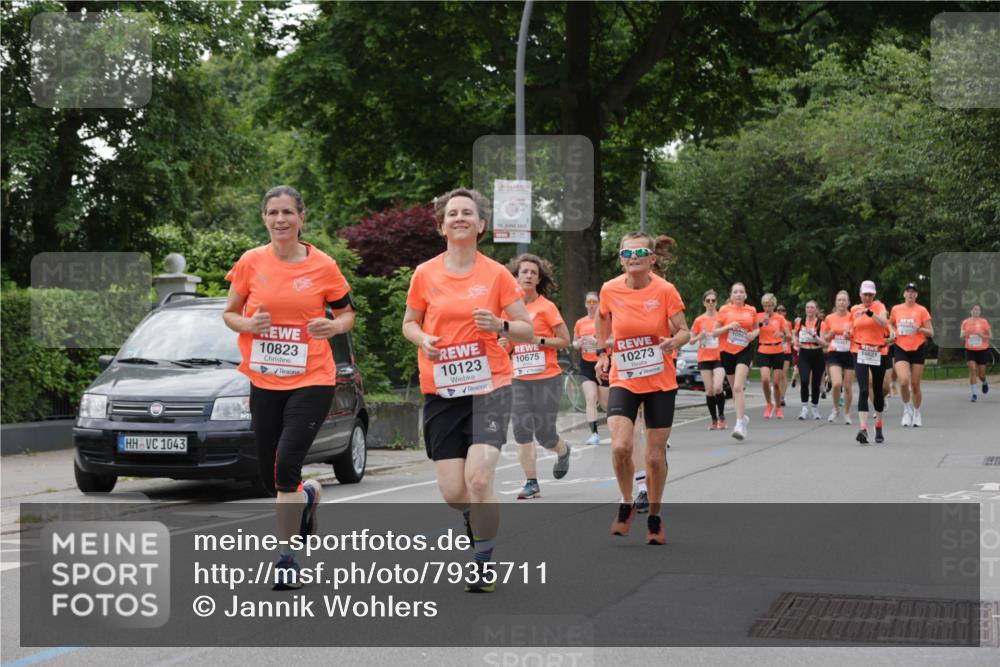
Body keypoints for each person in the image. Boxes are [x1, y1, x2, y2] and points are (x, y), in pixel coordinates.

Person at [223, 185, 356, 589]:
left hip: (313, 377)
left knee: (284, 465)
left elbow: (348, 314)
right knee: (270, 475)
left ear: (301, 218)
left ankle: (286, 560)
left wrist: (332, 325)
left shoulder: (323, 266)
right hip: (265, 378)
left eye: (287, 212)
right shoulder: (251, 262)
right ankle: (309, 495)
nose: (280, 219)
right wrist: (248, 324)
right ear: (264, 218)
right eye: (272, 212)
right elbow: (229, 313)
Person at [402, 188, 533, 592]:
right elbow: (409, 322)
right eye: (452, 213)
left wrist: (501, 327)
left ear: (481, 225)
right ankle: (470, 516)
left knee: (478, 480)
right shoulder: (425, 273)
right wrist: (422, 339)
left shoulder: (496, 275)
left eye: (467, 213)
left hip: (489, 385)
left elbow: (527, 328)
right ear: (441, 226)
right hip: (442, 390)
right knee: (455, 492)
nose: (459, 218)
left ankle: (483, 562)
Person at [595, 232, 688, 544]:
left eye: (640, 252)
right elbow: (601, 318)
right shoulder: (609, 289)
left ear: (652, 259)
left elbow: (684, 330)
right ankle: (626, 502)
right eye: (627, 252)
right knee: (621, 446)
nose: (633, 257)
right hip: (625, 377)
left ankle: (655, 516)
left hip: (660, 379)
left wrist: (674, 341)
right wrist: (602, 352)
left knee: (654, 456)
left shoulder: (665, 291)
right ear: (621, 258)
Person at [501, 254, 573, 500]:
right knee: (521, 429)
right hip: (519, 379)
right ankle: (531, 482)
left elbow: (565, 341)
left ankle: (563, 450)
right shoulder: (508, 311)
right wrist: (504, 344)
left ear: (539, 278)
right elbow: (509, 347)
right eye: (524, 272)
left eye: (533, 272)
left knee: (545, 435)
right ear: (516, 277)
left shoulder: (547, 307)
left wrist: (537, 340)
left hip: (547, 378)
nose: (528, 275)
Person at [713, 283, 757, 440]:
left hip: (744, 350)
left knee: (738, 387)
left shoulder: (751, 310)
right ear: (731, 296)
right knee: (734, 389)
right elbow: (714, 332)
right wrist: (728, 327)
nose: (738, 294)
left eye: (741, 292)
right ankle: (743, 418)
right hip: (727, 352)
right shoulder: (724, 310)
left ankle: (739, 424)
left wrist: (754, 335)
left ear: (745, 295)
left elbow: (756, 328)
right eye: (735, 292)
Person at [850, 280, 890, 444]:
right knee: (864, 390)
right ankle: (863, 429)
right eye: (864, 294)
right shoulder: (854, 309)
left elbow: (883, 323)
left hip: (878, 351)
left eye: (870, 294)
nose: (867, 297)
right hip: (859, 350)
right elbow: (851, 327)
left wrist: (869, 313)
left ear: (874, 295)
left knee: (878, 391)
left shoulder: (879, 307)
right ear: (860, 294)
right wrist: (847, 332)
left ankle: (878, 425)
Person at [891, 283, 934, 427]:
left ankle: (917, 412)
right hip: (901, 347)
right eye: (908, 291)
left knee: (915, 385)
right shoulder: (896, 309)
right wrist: (892, 331)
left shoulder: (922, 310)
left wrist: (920, 328)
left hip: (917, 348)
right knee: (903, 381)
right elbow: (890, 324)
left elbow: (931, 332)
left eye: (913, 292)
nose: (910, 294)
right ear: (904, 294)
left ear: (916, 295)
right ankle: (906, 410)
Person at [573, 291, 609, 443]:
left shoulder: (604, 321)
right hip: (586, 365)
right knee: (590, 397)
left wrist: (597, 342)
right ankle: (594, 434)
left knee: (606, 403)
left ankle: (618, 427)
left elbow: (612, 340)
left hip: (603, 363)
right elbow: (574, 343)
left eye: (595, 302)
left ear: (599, 303)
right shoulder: (580, 322)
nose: (592, 305)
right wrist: (578, 344)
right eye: (589, 302)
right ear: (585, 305)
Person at [692, 290, 726, 430]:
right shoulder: (699, 320)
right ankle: (713, 419)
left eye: (713, 300)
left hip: (719, 357)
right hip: (705, 358)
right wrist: (699, 336)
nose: (711, 303)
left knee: (718, 387)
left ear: (717, 302)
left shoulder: (722, 318)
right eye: (708, 301)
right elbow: (691, 340)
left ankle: (722, 416)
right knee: (709, 391)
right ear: (704, 303)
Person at [820, 290, 855, 424]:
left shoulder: (853, 317)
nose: (841, 302)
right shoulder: (829, 318)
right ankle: (835, 409)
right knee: (836, 384)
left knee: (847, 386)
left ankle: (846, 412)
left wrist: (850, 334)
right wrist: (830, 335)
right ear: (836, 302)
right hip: (834, 352)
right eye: (839, 300)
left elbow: (858, 333)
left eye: (844, 300)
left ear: (848, 303)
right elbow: (825, 338)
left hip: (849, 353)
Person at [756, 293, 790, 419]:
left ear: (774, 305)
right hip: (763, 349)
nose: (767, 308)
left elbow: (789, 336)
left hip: (777, 350)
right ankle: (769, 404)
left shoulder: (780, 318)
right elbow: (753, 329)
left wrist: (782, 334)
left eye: (770, 305)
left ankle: (778, 407)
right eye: (765, 306)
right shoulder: (759, 316)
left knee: (776, 383)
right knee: (765, 379)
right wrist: (759, 325)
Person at [793, 300, 824, 420]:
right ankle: (804, 408)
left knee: (815, 383)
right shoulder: (800, 322)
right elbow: (794, 334)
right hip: (804, 353)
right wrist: (795, 342)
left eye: (812, 308)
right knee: (804, 380)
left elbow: (824, 341)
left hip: (817, 353)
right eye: (808, 307)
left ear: (816, 310)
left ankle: (815, 407)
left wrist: (815, 336)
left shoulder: (821, 323)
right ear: (805, 309)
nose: (810, 310)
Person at [961, 304, 992, 401]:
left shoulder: (984, 322)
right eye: (974, 309)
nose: (976, 311)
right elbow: (961, 336)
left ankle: (984, 382)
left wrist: (982, 335)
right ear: (971, 311)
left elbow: (990, 336)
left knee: (981, 374)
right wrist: (966, 333)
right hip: (970, 350)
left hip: (982, 350)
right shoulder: (966, 322)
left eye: (978, 310)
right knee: (973, 370)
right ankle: (974, 394)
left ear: (980, 312)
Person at [777, 304, 791, 407]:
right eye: (779, 310)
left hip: (786, 350)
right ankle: (778, 395)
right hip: (776, 350)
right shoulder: (773, 322)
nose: (781, 312)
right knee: (777, 375)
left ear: (785, 313)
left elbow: (790, 337)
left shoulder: (788, 323)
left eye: (783, 310)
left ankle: (782, 396)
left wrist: (783, 336)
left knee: (783, 374)